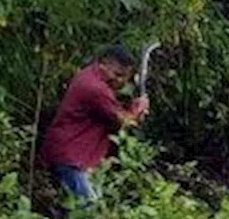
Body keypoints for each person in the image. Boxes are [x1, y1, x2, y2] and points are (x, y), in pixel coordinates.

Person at [41, 45, 150, 202]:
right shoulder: (95, 88)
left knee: (86, 209)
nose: (120, 81)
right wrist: (137, 109)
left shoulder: (88, 75)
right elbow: (123, 122)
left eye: (124, 77)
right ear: (102, 64)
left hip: (74, 157)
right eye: (117, 74)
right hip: (70, 157)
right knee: (87, 210)